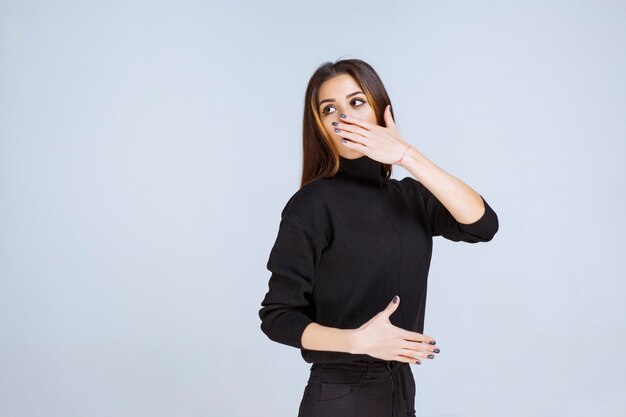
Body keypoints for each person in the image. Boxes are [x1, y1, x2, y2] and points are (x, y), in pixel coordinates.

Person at [258, 58, 499, 417]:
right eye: (329, 110)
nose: (346, 118)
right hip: (341, 391)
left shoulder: (411, 197)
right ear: (320, 127)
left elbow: (483, 224)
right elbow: (277, 316)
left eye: (356, 103)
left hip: (399, 388)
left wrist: (407, 155)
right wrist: (355, 340)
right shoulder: (312, 204)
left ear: (381, 110)